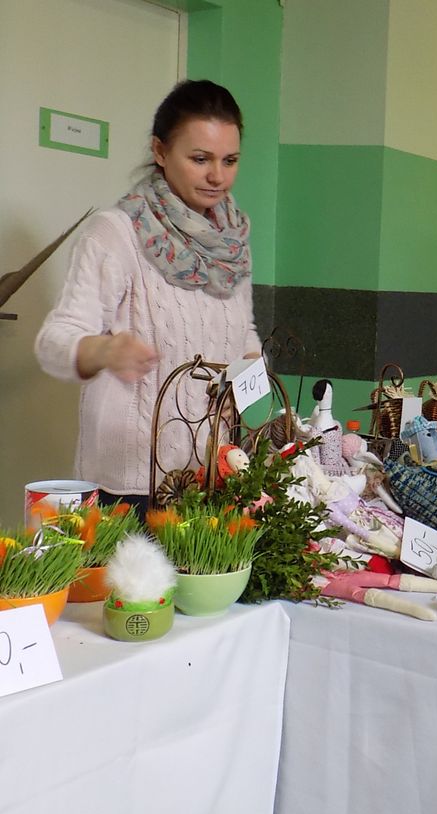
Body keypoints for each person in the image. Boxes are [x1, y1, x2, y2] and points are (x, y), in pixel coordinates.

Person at [35, 80, 260, 513]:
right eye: (200, 159)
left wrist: (252, 368)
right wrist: (103, 350)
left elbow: (242, 330)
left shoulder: (231, 243)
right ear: (160, 151)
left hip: (212, 473)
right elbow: (54, 341)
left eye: (229, 160)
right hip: (129, 483)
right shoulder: (116, 233)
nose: (218, 176)